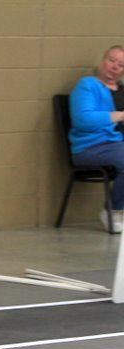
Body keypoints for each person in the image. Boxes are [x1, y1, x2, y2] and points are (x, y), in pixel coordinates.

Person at [69, 45, 124, 232]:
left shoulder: (122, 90)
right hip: (91, 146)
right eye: (111, 60)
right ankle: (114, 210)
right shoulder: (87, 85)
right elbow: (83, 120)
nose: (115, 66)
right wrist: (118, 115)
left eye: (121, 64)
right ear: (102, 61)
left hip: (118, 144)